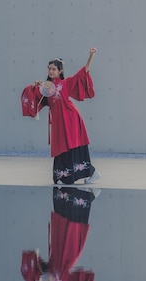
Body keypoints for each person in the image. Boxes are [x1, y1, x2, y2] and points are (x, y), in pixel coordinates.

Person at [21, 186, 98, 281]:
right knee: (74, 226)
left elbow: (35, 270)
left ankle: (66, 189)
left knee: (60, 220)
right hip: (70, 250)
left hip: (56, 246)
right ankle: (88, 196)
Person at [21, 47, 100, 185]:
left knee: (74, 146)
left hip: (71, 119)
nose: (51, 71)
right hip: (59, 123)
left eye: (54, 69)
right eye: (49, 68)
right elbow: (35, 97)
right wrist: (34, 87)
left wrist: (91, 56)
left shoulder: (66, 83)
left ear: (60, 71)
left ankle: (92, 173)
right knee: (62, 147)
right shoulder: (46, 87)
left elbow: (83, 73)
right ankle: (63, 176)